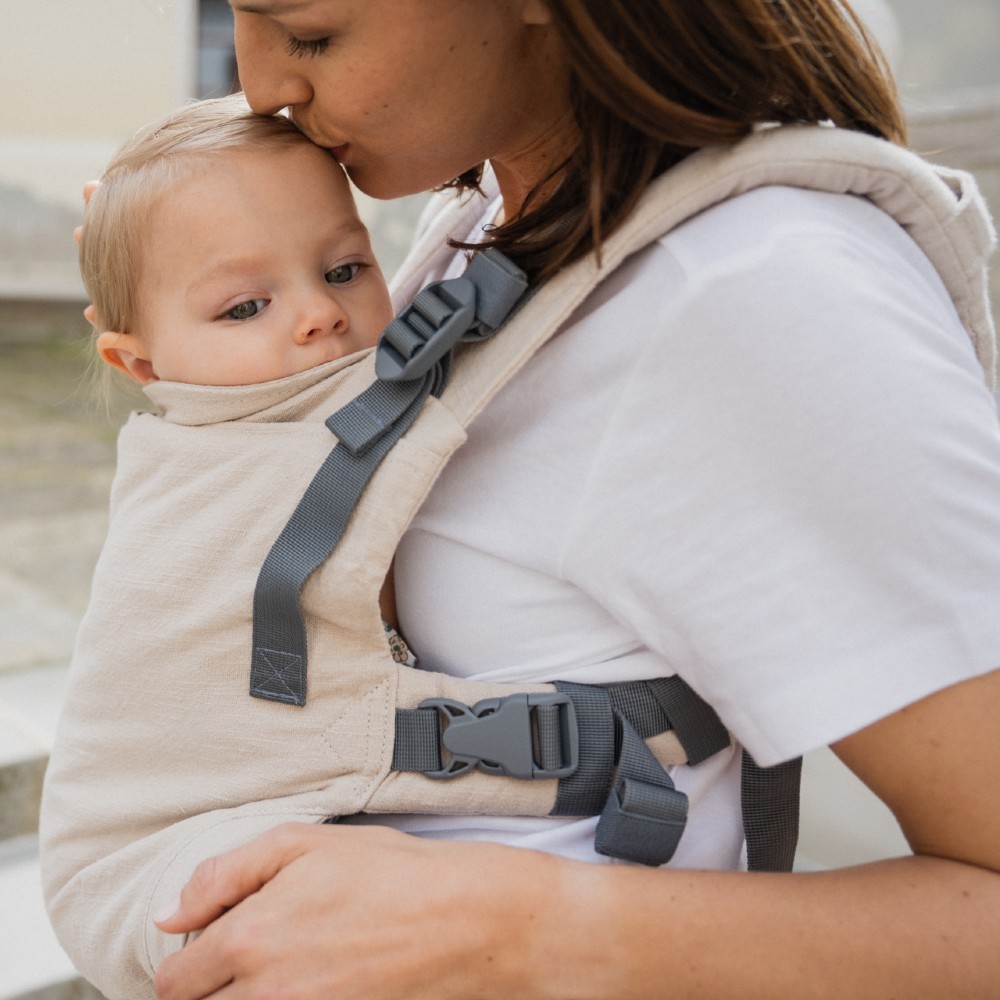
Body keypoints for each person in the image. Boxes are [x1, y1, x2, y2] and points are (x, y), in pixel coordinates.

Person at [47, 2, 1000, 999]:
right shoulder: (493, 235)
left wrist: (521, 927)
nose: (262, 86)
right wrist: (171, 250)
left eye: (312, 32)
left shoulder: (749, 294)